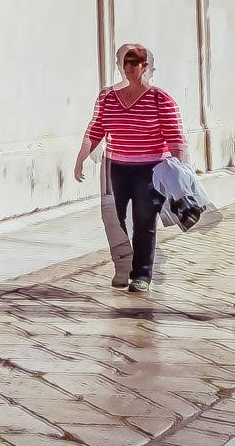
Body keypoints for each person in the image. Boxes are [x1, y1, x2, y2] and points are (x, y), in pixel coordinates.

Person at [74, 42, 186, 294]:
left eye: (135, 62)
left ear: (145, 67)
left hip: (150, 169)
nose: (130, 67)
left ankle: (142, 274)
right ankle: (123, 266)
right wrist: (81, 157)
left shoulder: (160, 98)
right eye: (126, 62)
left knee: (144, 220)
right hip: (117, 167)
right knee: (117, 219)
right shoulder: (107, 96)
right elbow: (97, 128)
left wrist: (179, 175)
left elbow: (175, 138)